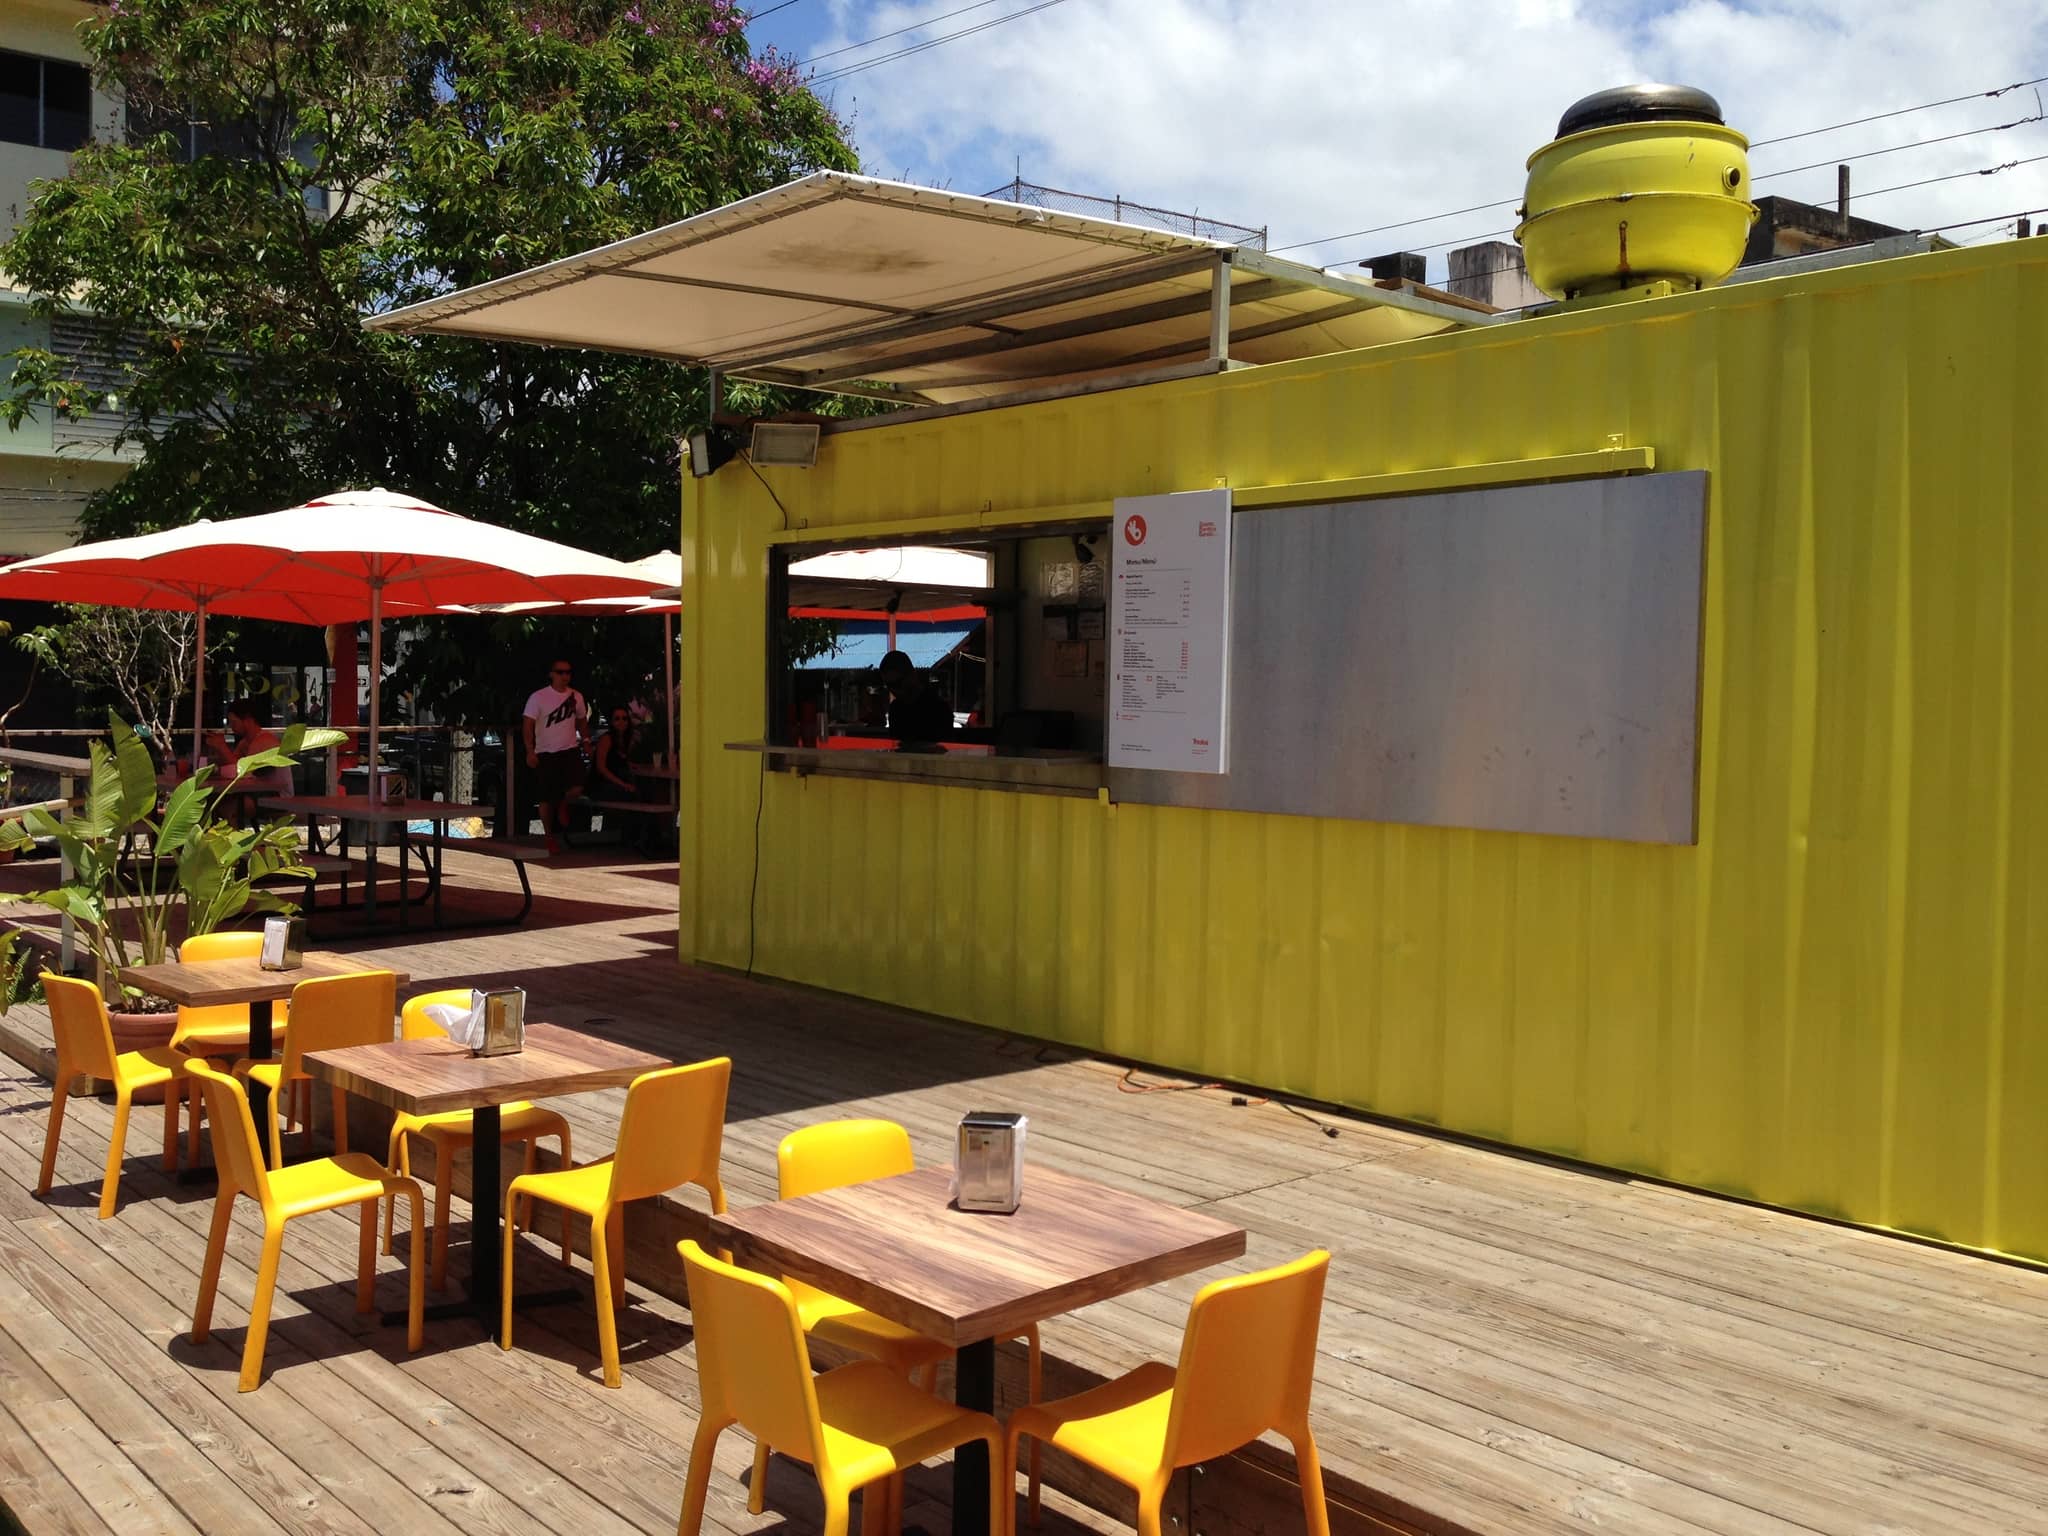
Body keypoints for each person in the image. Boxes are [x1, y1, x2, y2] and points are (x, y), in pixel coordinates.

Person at [522, 658, 590, 853]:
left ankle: (563, 803)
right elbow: (528, 724)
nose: (565, 676)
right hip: (545, 752)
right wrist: (530, 750)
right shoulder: (538, 697)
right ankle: (549, 836)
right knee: (545, 797)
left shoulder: (576, 696)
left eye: (568, 672)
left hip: (569, 749)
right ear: (551, 674)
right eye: (560, 672)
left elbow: (582, 720)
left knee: (578, 787)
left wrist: (585, 741)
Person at [203, 699, 291, 791]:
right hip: (259, 791)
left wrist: (222, 747)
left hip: (276, 794)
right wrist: (218, 749)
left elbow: (242, 772)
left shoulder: (263, 740)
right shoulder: (245, 742)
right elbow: (231, 766)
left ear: (248, 720)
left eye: (234, 722)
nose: (231, 726)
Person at [876, 649, 950, 751]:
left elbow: (943, 747)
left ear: (911, 675)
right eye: (889, 686)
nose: (894, 690)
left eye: (898, 683)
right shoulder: (896, 709)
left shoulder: (938, 707)